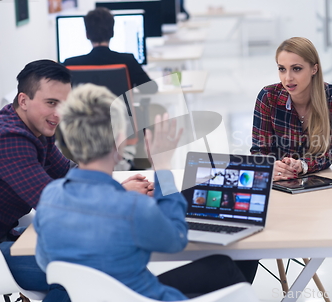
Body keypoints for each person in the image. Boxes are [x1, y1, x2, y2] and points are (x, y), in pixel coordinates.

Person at [34, 84, 247, 300]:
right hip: (141, 296)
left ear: (69, 138)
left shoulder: (49, 198)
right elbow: (177, 238)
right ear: (119, 139)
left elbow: (45, 263)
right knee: (225, 268)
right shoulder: (132, 207)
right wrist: (163, 166)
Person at [0, 60, 151, 302]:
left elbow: (68, 173)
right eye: (51, 103)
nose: (59, 114)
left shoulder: (36, 129)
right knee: (85, 269)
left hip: (2, 236)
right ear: (23, 100)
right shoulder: (8, 139)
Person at [251, 37, 332, 180]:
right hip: (278, 181)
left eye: (296, 69)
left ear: (314, 69)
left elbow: (328, 155)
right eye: (282, 69)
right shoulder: (268, 97)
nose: (288, 78)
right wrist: (271, 166)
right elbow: (259, 151)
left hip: (316, 181)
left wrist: (302, 166)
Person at [63, 7, 158, 94]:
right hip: (120, 112)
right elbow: (151, 89)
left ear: (87, 34)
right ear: (112, 33)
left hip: (81, 113)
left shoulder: (70, 64)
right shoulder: (128, 61)